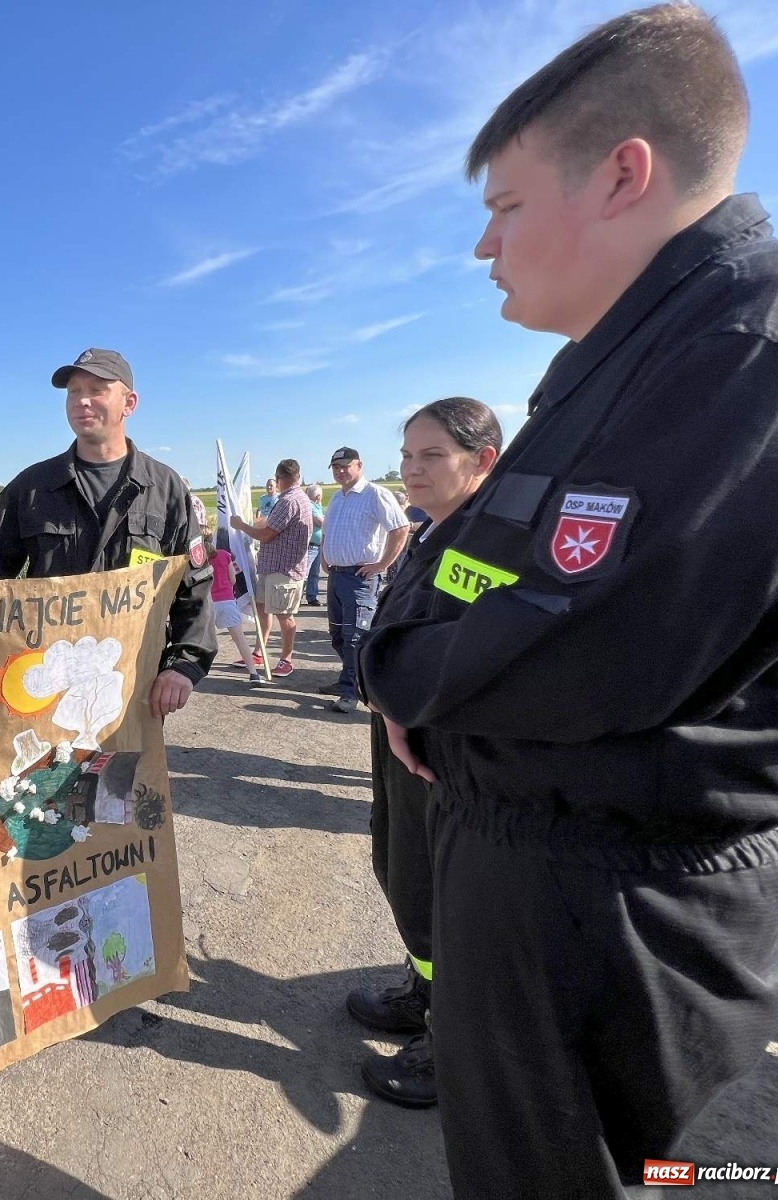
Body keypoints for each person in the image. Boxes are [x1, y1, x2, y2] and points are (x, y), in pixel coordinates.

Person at [360, 8, 778, 1195]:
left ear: (622, 174)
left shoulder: (757, 343)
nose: (481, 247)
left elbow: (572, 643)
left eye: (503, 207)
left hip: (616, 900)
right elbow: (465, 571)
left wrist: (412, 673)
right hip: (541, 861)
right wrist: (423, 654)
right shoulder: (628, 356)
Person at [346, 398, 501, 1112]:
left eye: (432, 456)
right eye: (407, 455)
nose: (412, 469)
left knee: (454, 902)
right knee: (402, 873)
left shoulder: (491, 545)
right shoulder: (431, 533)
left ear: (483, 461)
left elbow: (481, 660)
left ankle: (455, 1048)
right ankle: (424, 994)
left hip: (444, 760)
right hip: (400, 743)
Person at [0, 348, 216, 715]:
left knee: (123, 776)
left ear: (129, 403)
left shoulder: (165, 490)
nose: (82, 401)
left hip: (132, 685)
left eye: (97, 389)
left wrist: (183, 666)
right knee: (43, 775)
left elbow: (194, 589)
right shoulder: (33, 487)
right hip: (46, 685)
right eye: (73, 392)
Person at [321, 447, 408, 713]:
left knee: (354, 637)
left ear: (359, 465)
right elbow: (328, 530)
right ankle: (350, 678)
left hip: (360, 577)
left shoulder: (375, 495)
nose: (340, 471)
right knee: (337, 635)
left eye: (345, 466)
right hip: (337, 575)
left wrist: (383, 564)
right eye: (336, 467)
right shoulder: (337, 497)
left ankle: (350, 692)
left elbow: (400, 527)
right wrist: (326, 554)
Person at [229, 459, 311, 680]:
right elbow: (272, 524)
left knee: (285, 616)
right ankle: (259, 652)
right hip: (273, 566)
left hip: (283, 569)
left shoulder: (288, 501)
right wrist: (257, 522)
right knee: (263, 609)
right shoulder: (294, 498)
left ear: (279, 479)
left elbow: (267, 535)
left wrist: (242, 526)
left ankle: (286, 659)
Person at [208, 531, 259, 682]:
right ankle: (253, 672)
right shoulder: (224, 555)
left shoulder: (199, 558)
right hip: (227, 601)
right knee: (240, 639)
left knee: (204, 640)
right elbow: (232, 580)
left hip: (208, 602)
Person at [303, 483, 325, 605]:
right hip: (311, 545)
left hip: (317, 545)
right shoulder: (310, 506)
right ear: (317, 496)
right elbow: (321, 522)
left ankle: (312, 596)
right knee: (305, 573)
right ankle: (297, 597)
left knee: (314, 573)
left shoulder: (317, 506)